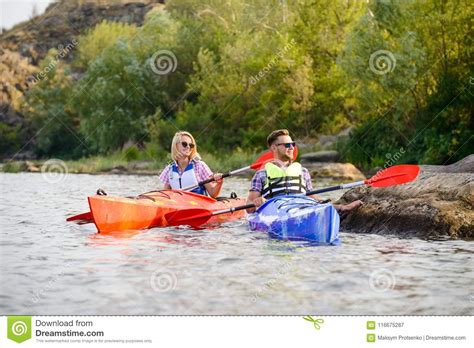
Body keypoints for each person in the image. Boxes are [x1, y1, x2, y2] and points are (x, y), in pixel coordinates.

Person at [246, 129, 363, 213]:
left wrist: (331, 205)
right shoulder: (261, 174)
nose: (292, 147)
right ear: (274, 148)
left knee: (322, 207)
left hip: (301, 208)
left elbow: (311, 197)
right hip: (275, 211)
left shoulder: (303, 171)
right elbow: (249, 208)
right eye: (287, 145)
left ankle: (343, 209)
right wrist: (258, 201)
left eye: (292, 144)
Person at [159, 131, 223, 198]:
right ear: (176, 145)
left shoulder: (199, 166)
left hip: (198, 205)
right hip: (179, 206)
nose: (188, 147)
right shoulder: (169, 169)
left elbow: (213, 193)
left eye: (191, 145)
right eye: (184, 144)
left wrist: (219, 183)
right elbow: (165, 196)